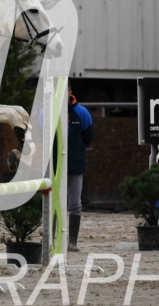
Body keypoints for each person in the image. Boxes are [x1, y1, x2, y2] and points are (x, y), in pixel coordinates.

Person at [66, 81, 94, 252]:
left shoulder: (82, 113)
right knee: (52, 202)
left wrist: (75, 151)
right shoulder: (45, 112)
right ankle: (51, 239)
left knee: (75, 203)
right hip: (54, 165)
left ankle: (72, 242)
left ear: (70, 91)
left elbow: (88, 138)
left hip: (75, 164)